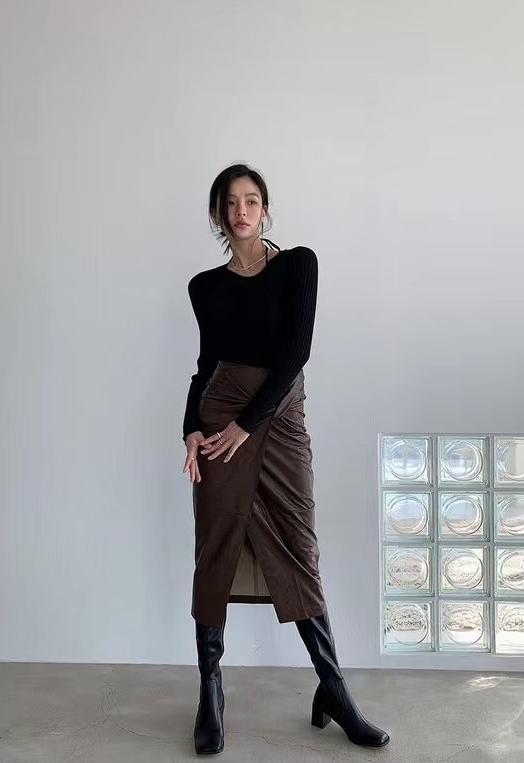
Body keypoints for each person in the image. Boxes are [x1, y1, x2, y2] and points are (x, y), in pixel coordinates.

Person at [182, 163, 390, 755]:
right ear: (218, 214)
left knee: (300, 544)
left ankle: (333, 689)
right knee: (215, 543)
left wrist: (248, 426)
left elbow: (296, 351)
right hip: (220, 419)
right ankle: (211, 691)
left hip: (275, 418)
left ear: (265, 209)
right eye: (230, 203)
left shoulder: (298, 264)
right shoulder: (204, 286)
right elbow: (205, 367)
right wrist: (191, 429)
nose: (241, 211)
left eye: (251, 201)